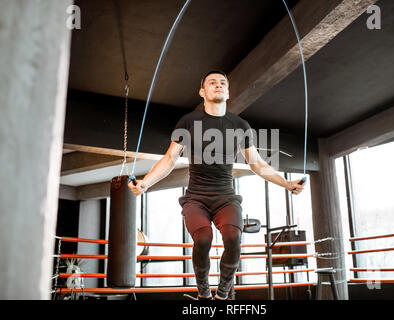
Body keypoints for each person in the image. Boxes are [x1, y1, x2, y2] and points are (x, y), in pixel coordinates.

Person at [128, 70, 306, 299]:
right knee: (203, 239)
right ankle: (203, 293)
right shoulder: (189, 121)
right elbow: (170, 158)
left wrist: (286, 183)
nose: (218, 85)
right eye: (212, 82)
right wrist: (146, 183)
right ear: (202, 92)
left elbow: (257, 164)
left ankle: (222, 293)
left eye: (223, 82)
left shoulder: (240, 125)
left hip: (225, 197)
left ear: (228, 92)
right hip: (196, 198)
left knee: (233, 238)